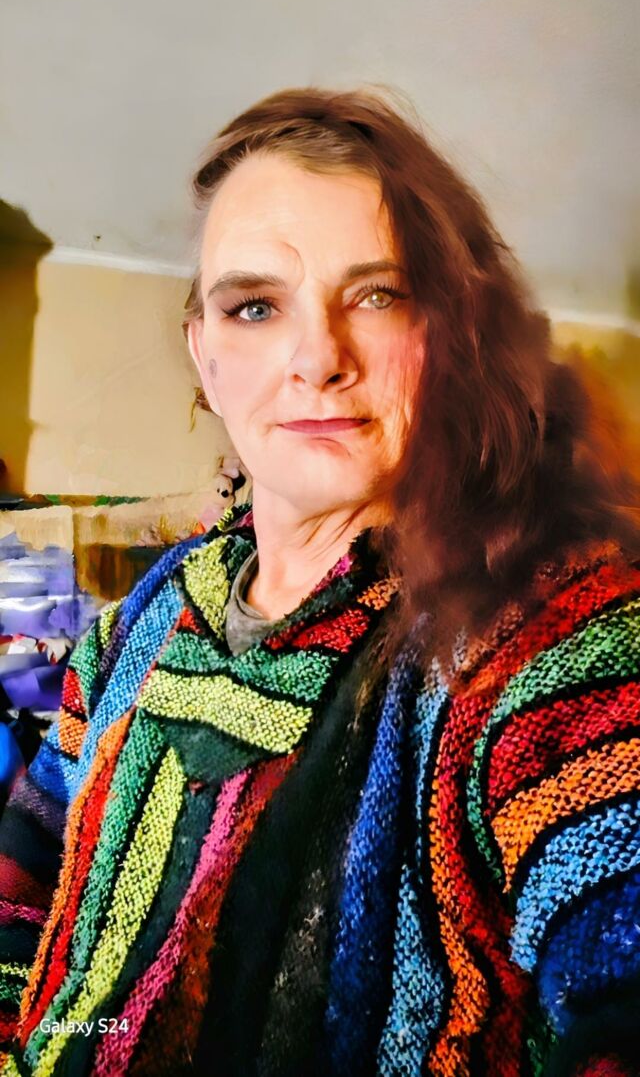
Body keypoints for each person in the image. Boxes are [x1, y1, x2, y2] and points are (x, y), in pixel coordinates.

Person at [0, 85, 639, 1077]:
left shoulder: (543, 631)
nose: (318, 358)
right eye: (255, 306)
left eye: (378, 295)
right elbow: (27, 871)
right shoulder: (143, 619)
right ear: (204, 354)